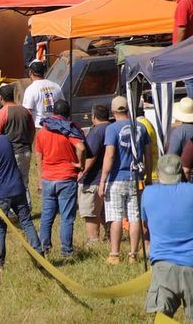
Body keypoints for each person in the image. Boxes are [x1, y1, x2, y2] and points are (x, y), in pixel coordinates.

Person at [0, 116, 43, 268]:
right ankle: (40, 256)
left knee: (0, 227)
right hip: (18, 188)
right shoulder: (5, 139)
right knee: (26, 222)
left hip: (0, 194)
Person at [99, 96, 152, 265]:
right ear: (127, 110)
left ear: (113, 111)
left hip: (117, 178)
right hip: (136, 177)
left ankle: (114, 254)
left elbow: (110, 155)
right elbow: (148, 155)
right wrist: (148, 176)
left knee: (115, 217)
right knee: (135, 217)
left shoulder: (112, 129)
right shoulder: (141, 127)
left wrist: (102, 180)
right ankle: (133, 255)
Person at [142, 154, 193, 322]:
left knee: (162, 317)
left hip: (162, 266)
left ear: (159, 173)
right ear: (182, 173)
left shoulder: (148, 193)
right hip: (191, 263)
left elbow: (145, 225)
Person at [35, 99, 85, 257]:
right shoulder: (68, 130)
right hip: (66, 177)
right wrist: (80, 164)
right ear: (67, 114)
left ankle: (44, 247)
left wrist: (39, 180)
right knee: (66, 217)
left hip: (47, 178)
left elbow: (39, 158)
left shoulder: (42, 131)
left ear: (53, 112)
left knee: (46, 216)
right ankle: (66, 251)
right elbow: (81, 147)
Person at [0, 84, 35, 206]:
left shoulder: (1, 113)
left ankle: (11, 210)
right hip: (26, 151)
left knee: (8, 182)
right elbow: (32, 130)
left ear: (1, 98)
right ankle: (27, 207)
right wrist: (28, 144)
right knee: (24, 181)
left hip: (10, 153)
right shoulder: (25, 111)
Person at [78, 104, 110, 245]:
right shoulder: (112, 127)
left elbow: (91, 155)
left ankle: (93, 240)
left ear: (94, 116)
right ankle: (110, 234)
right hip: (108, 177)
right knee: (103, 210)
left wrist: (82, 171)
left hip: (94, 179)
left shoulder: (97, 131)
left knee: (90, 211)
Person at [22, 60, 64, 128]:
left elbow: (27, 112)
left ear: (30, 73)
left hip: (39, 128)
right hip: (56, 127)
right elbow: (63, 106)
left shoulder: (30, 89)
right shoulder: (56, 86)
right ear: (44, 72)